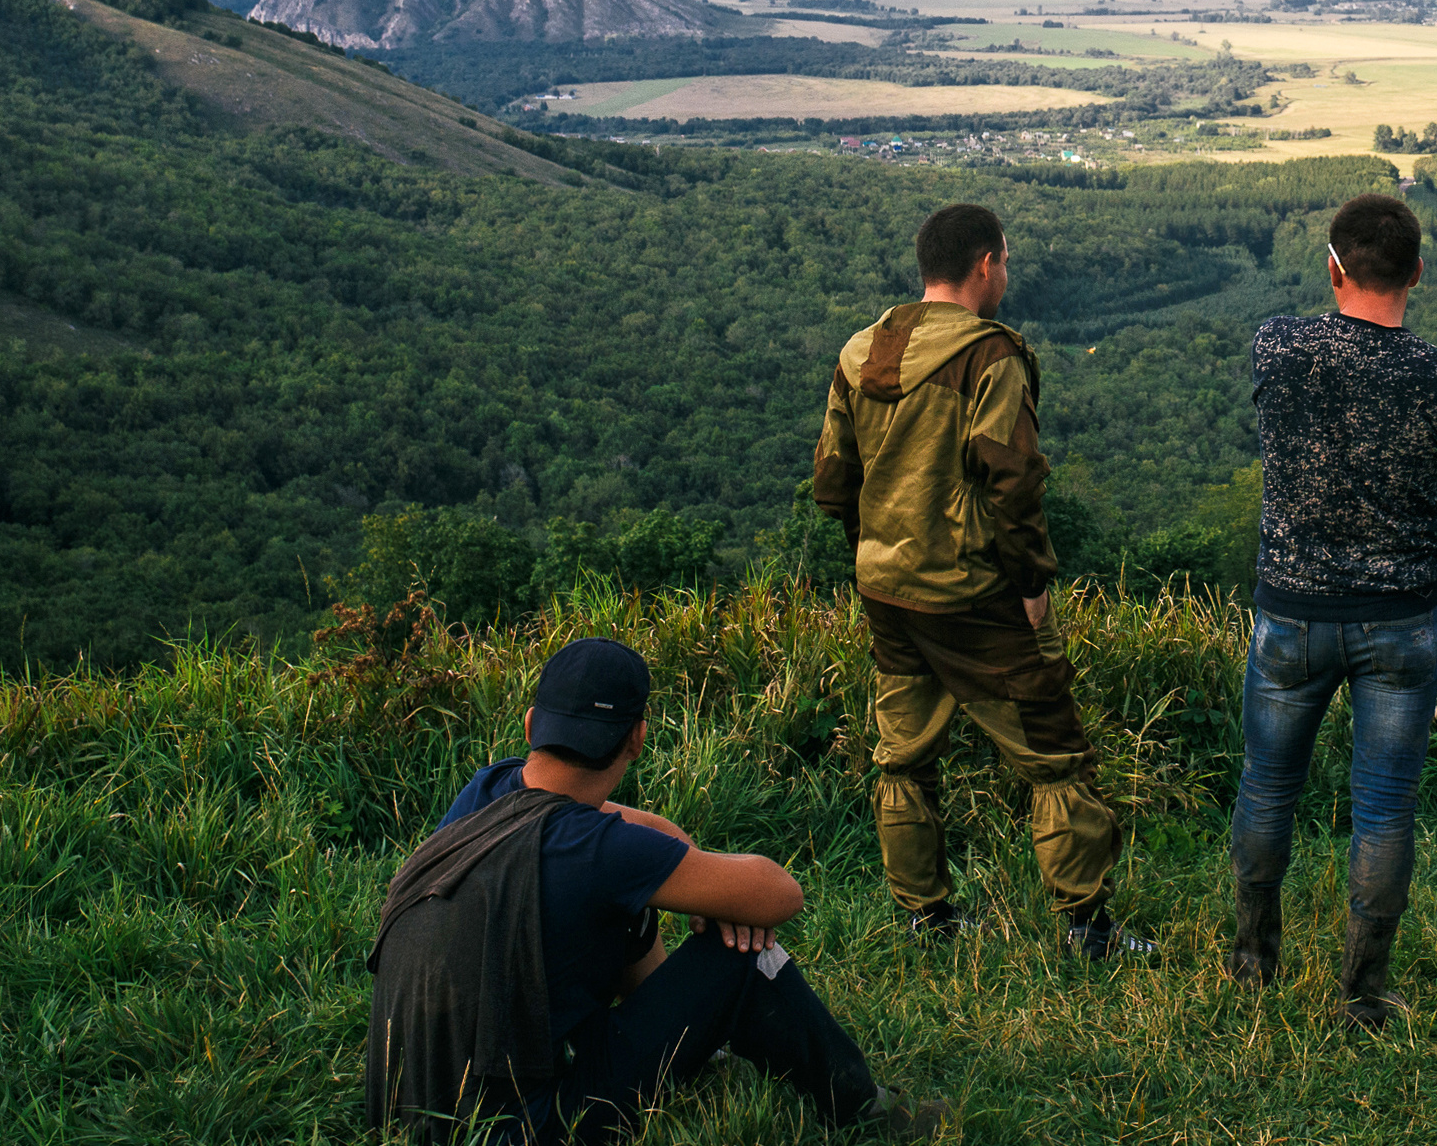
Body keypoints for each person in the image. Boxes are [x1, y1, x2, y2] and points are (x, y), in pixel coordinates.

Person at [366, 636, 943, 1141]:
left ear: (530, 726)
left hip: (416, 1106)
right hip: (528, 1131)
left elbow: (621, 829)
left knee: (624, 911)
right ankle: (866, 1108)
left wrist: (686, 871)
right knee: (741, 958)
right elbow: (779, 893)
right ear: (637, 738)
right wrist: (717, 899)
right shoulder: (600, 852)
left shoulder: (489, 790)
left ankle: (696, 1048)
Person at [808, 201, 1149, 959]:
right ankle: (1085, 928)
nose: (1008, 274)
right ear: (986, 264)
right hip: (971, 591)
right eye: (1007, 261)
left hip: (886, 588)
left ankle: (925, 919)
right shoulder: (990, 355)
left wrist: (876, 548)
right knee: (1054, 750)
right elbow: (1013, 480)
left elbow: (833, 482)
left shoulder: (860, 349)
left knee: (902, 754)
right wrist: (1031, 584)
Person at [1228, 191, 1437, 1028]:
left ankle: (1252, 958)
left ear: (1333, 268)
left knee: (1268, 788)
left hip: (1293, 609)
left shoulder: (1280, 341)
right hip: (1401, 618)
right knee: (1384, 806)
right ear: (1417, 271)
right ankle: (1364, 991)